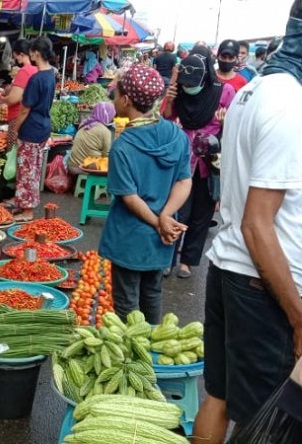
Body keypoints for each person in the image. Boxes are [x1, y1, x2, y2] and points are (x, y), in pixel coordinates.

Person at [193, 2, 302, 441]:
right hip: (263, 286)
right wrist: (298, 318)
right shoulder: (290, 105)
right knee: (265, 421)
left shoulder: (253, 90)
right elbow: (259, 225)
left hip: (228, 268)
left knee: (218, 396)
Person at [99, 64, 191, 324]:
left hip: (130, 237)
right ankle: (150, 354)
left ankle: (130, 358)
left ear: (126, 100)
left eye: (115, 94)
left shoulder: (123, 146)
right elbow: (184, 181)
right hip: (161, 238)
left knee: (126, 303)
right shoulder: (176, 135)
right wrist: (166, 216)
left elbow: (129, 197)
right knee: (152, 293)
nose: (114, 99)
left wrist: (157, 220)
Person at [162, 47, 235, 279]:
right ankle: (168, 259)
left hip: (210, 163)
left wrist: (227, 121)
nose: (189, 87)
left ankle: (187, 262)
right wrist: (171, 98)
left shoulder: (224, 91)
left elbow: (234, 126)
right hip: (183, 160)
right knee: (177, 211)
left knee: (201, 214)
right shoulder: (182, 87)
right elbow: (168, 117)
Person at [10, 37, 56, 222]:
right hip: (43, 126)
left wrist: (15, 129)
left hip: (31, 128)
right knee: (33, 170)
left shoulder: (36, 78)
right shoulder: (50, 75)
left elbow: (25, 109)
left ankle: (27, 211)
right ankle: (25, 205)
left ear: (36, 52)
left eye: (32, 50)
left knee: (26, 171)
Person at [0, 39, 38, 150]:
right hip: (30, 119)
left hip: (17, 118)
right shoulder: (36, 70)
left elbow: (13, 99)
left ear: (21, 54)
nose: (15, 59)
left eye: (16, 56)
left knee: (13, 153)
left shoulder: (24, 71)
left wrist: (0, 98)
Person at [68, 102, 115, 175]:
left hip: (72, 166)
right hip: (84, 168)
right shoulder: (105, 131)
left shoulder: (84, 124)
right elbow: (106, 155)